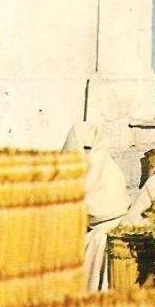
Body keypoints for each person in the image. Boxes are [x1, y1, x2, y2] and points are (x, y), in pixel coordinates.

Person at [63, 121, 131, 292]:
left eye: (90, 148)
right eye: (83, 148)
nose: (86, 153)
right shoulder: (64, 175)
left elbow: (105, 209)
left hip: (108, 239)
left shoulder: (110, 171)